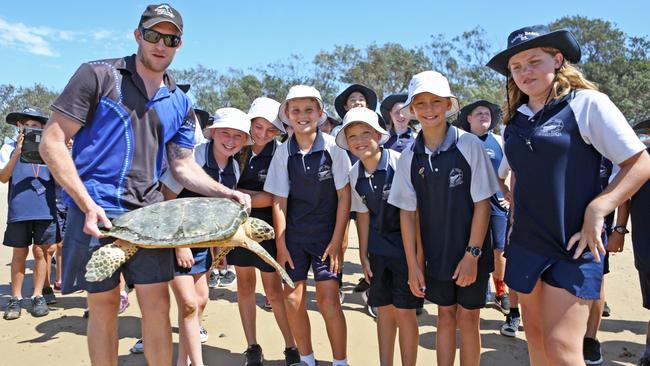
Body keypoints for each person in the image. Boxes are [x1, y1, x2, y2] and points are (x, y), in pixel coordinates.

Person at [39, 4, 250, 365]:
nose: (161, 44)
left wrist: (226, 192)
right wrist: (86, 204)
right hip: (98, 210)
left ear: (179, 45)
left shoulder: (181, 102)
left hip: (150, 217)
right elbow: (52, 141)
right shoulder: (99, 75)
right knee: (104, 304)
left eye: (171, 38)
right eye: (153, 35)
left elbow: (182, 167)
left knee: (157, 304)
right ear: (138, 35)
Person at [486, 25, 650, 365]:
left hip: (573, 243)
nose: (524, 72)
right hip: (526, 244)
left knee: (562, 347)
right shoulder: (515, 121)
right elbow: (515, 176)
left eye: (533, 61)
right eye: (516, 67)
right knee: (536, 343)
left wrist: (600, 208)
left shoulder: (587, 104)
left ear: (558, 59)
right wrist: (514, 218)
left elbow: (640, 162)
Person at [388, 70, 500, 366]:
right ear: (411, 110)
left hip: (471, 253)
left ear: (449, 104)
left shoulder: (470, 145)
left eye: (436, 102)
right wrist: (413, 266)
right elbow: (407, 214)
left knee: (469, 319)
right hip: (436, 255)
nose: (428, 110)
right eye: (420, 103)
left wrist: (472, 254)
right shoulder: (410, 156)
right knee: (445, 316)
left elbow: (483, 205)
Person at [264, 85, 351, 366]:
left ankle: (340, 362)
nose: (302, 116)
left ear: (320, 113)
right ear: (287, 115)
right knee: (292, 300)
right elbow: (279, 201)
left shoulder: (334, 148)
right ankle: (307, 359)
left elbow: (344, 197)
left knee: (328, 302)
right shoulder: (282, 152)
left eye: (309, 110)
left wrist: (338, 240)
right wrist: (281, 244)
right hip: (294, 239)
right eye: (296, 110)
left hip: (327, 238)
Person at [161, 107, 253, 366]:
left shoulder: (234, 166)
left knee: (200, 302)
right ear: (212, 133)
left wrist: (216, 249)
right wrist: (180, 245)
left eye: (238, 136)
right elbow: (167, 196)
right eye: (225, 133)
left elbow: (216, 212)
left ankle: (183, 361)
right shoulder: (194, 157)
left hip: (202, 244)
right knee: (189, 303)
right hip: (174, 239)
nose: (231, 140)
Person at [336, 107, 421, 366]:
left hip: (407, 253)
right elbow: (362, 215)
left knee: (405, 314)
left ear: (379, 134)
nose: (360, 141)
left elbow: (416, 214)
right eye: (352, 136)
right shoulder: (354, 174)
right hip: (379, 250)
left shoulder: (401, 161)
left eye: (366, 133)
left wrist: (417, 260)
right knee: (383, 313)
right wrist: (363, 255)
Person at [224, 97, 301, 366]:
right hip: (237, 229)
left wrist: (237, 196)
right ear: (249, 123)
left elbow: (277, 197)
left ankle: (291, 347)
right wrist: (245, 196)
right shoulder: (235, 148)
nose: (263, 134)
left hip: (268, 228)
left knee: (272, 290)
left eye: (271, 130)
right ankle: (252, 347)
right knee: (244, 286)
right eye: (258, 127)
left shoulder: (280, 152)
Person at [1, 107, 59, 320]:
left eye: (36, 126)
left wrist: (59, 152)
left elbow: (61, 177)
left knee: (41, 252)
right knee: (19, 253)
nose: (31, 129)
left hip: (44, 207)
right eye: (27, 125)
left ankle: (37, 296)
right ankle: (15, 298)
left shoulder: (50, 148)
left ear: (43, 129)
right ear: (19, 126)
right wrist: (18, 152)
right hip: (19, 208)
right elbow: (3, 177)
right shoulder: (8, 147)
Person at [455, 100, 511, 315]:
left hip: (496, 203)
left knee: (499, 249)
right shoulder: (461, 142)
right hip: (469, 205)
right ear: (468, 119)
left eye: (486, 113)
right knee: (473, 244)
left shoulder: (499, 140)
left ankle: (500, 291)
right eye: (478, 113)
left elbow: (510, 169)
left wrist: (507, 193)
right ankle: (480, 286)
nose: (483, 116)